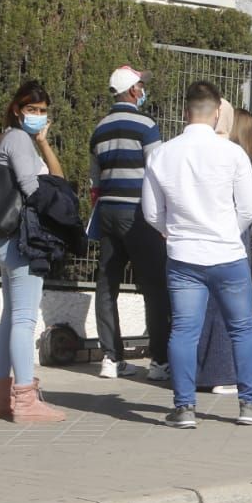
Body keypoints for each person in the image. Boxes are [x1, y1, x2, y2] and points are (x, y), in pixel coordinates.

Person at [142, 81, 252, 428]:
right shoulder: (232, 153)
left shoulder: (161, 153)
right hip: (226, 254)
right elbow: (249, 209)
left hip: (183, 255)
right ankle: (250, 405)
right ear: (218, 112)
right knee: (243, 329)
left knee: (184, 331)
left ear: (185, 111)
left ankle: (184, 408)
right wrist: (225, 232)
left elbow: (150, 212)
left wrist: (172, 232)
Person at [0, 81, 69, 422]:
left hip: (7, 240)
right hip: (22, 241)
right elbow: (34, 189)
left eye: (43, 110)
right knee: (23, 319)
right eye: (32, 109)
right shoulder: (18, 139)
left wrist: (44, 142)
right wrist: (61, 212)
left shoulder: (19, 139)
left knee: (10, 318)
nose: (37, 115)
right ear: (18, 109)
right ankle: (25, 401)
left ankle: (0, 399)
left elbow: (57, 177)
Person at [87, 64, 170, 382]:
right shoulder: (146, 125)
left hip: (107, 212)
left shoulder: (100, 128)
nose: (143, 90)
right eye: (141, 86)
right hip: (139, 214)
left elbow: (95, 181)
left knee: (107, 285)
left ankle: (111, 358)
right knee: (154, 287)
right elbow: (158, 172)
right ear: (133, 91)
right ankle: (159, 362)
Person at [193, 109, 252, 395]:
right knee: (229, 308)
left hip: (194, 241)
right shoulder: (233, 157)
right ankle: (224, 373)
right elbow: (248, 208)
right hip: (228, 240)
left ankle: (191, 375)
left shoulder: (195, 152)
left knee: (195, 311)